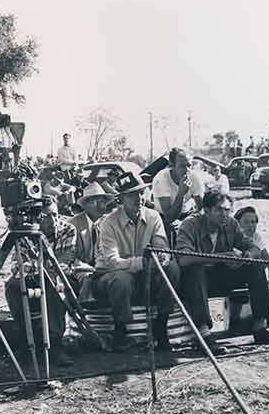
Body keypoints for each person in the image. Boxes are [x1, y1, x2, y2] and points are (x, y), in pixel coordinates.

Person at [176, 191, 269, 346]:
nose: (224, 214)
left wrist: (246, 256)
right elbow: (183, 259)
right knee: (195, 271)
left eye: (227, 210)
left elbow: (254, 248)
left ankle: (261, 327)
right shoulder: (190, 225)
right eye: (219, 210)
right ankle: (204, 335)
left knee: (256, 265)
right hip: (195, 283)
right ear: (206, 210)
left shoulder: (231, 223)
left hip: (220, 278)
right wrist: (222, 257)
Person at [93, 170, 181, 351]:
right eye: (132, 195)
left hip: (143, 277)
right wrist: (143, 262)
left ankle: (161, 326)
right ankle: (120, 331)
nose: (139, 198)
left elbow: (161, 247)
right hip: (109, 279)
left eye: (141, 192)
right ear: (121, 199)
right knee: (121, 278)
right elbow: (112, 262)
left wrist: (161, 257)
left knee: (171, 268)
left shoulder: (153, 216)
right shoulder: (108, 223)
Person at [4, 198, 76, 366]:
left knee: (54, 285)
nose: (53, 220)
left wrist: (37, 266)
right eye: (45, 216)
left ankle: (55, 346)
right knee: (12, 286)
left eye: (55, 214)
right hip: (34, 279)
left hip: (62, 279)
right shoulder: (24, 232)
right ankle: (26, 343)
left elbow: (64, 263)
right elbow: (17, 266)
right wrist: (43, 267)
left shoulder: (68, 229)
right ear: (36, 217)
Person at [67, 182, 113, 300]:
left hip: (103, 267)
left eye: (103, 202)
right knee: (87, 278)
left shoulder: (108, 223)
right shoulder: (73, 224)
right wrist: (90, 269)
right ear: (85, 205)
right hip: (80, 269)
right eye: (94, 201)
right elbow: (70, 257)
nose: (100, 205)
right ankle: (86, 310)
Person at [152, 147, 205, 237]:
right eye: (182, 166)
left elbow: (201, 207)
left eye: (188, 165)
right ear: (172, 165)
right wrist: (181, 193)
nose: (186, 170)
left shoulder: (194, 176)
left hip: (187, 215)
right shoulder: (161, 179)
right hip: (164, 217)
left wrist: (188, 222)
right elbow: (169, 217)